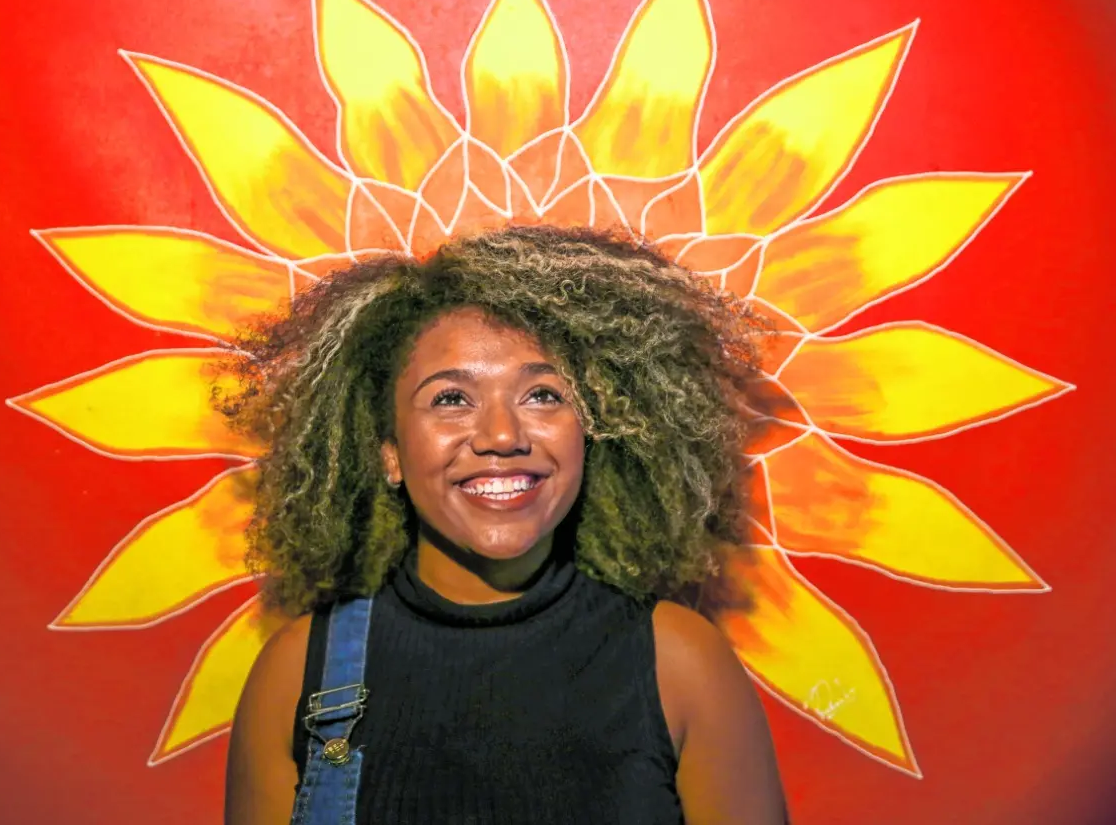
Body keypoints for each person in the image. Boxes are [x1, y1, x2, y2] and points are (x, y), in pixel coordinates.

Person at [221, 225, 788, 824]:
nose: (502, 436)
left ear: (594, 429)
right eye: (450, 399)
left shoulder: (681, 664)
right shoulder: (298, 676)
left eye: (542, 395)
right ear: (389, 452)